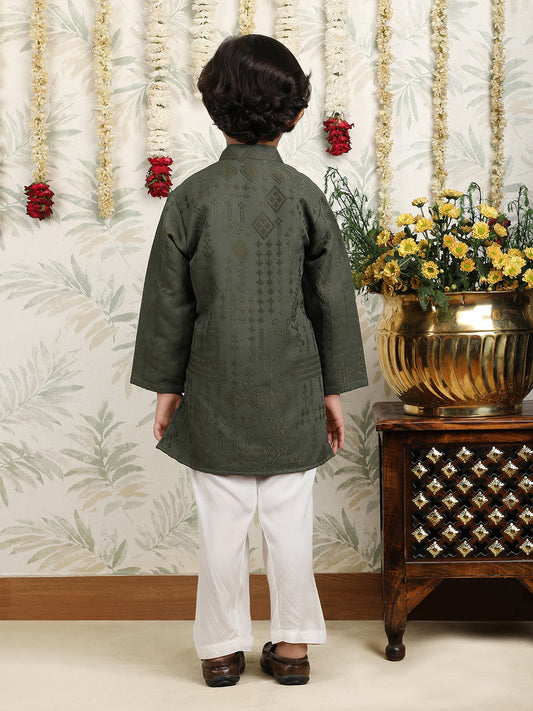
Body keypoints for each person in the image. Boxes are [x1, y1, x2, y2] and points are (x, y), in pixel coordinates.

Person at [130, 33, 368, 687]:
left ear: (213, 110)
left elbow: (169, 303)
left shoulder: (190, 198)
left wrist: (166, 388)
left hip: (214, 388)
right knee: (289, 526)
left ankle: (220, 649)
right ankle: (291, 648)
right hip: (293, 387)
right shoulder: (304, 194)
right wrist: (332, 390)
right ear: (296, 114)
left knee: (221, 528)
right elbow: (330, 301)